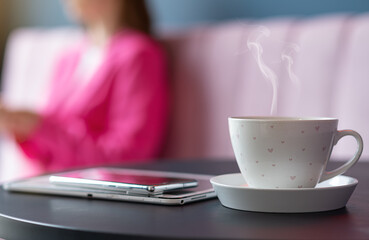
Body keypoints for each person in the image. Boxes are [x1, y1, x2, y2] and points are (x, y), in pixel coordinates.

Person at [0, 0, 169, 173]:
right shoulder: (69, 58)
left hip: (97, 192)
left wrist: (37, 126)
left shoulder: (138, 55)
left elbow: (130, 158)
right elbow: (48, 150)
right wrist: (21, 125)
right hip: (53, 184)